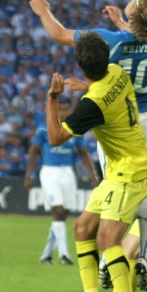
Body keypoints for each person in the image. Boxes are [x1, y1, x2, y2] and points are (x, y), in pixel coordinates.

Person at [30, 0, 147, 291]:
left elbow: (59, 34)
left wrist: (43, 11)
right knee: (146, 189)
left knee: (116, 189)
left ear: (134, 12)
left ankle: (111, 259)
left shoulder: (110, 41)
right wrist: (122, 21)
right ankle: (145, 255)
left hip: (119, 119)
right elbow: (138, 38)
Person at [51, 32, 147, 292]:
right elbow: (102, 88)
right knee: (83, 228)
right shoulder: (117, 72)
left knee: (107, 237)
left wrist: (52, 98)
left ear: (80, 67)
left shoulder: (91, 104)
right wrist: (84, 86)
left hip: (131, 172)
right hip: (119, 169)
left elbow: (56, 136)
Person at [24, 97, 98, 265]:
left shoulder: (74, 130)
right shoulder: (44, 129)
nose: (63, 112)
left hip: (67, 172)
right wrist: (28, 176)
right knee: (57, 209)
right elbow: (34, 151)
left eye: (65, 109)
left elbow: (84, 153)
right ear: (53, 110)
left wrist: (93, 174)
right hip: (50, 172)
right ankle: (64, 254)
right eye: (60, 109)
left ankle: (46, 255)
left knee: (63, 213)